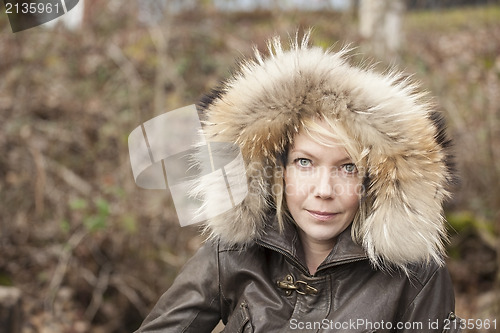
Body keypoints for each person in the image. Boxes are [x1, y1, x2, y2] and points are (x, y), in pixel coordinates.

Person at [134, 32, 462, 332]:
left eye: (348, 168)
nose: (323, 190)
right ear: (279, 170)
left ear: (374, 180)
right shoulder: (231, 253)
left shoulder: (417, 279)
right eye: (305, 163)